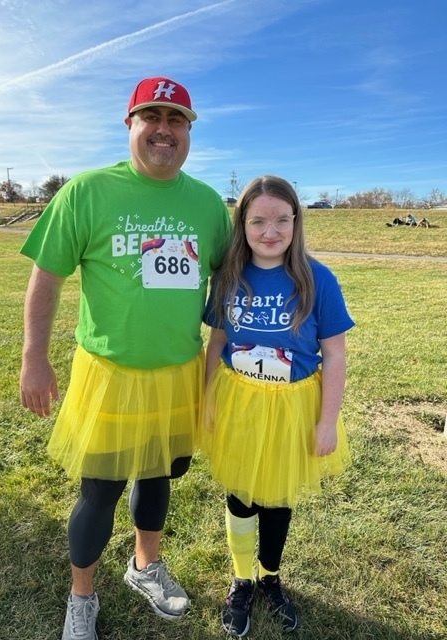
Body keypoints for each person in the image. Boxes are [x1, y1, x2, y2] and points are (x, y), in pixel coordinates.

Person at [19, 76, 231, 640]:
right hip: (109, 374)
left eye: (176, 120)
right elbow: (47, 275)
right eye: (152, 117)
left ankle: (145, 565)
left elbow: (231, 285)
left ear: (189, 130)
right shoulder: (87, 192)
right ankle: (81, 598)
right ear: (130, 125)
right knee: (100, 489)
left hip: (177, 373)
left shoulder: (209, 204)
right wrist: (34, 358)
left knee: (159, 474)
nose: (164, 130)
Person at [201, 176, 354, 637]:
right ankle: (242, 577)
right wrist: (207, 398)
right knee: (243, 492)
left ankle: (270, 575)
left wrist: (327, 421)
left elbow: (336, 354)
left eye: (282, 220)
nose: (271, 231)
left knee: (279, 494)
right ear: (242, 224)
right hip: (239, 401)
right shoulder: (229, 278)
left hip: (293, 405)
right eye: (258, 220)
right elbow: (217, 342)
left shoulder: (317, 278)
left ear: (296, 222)